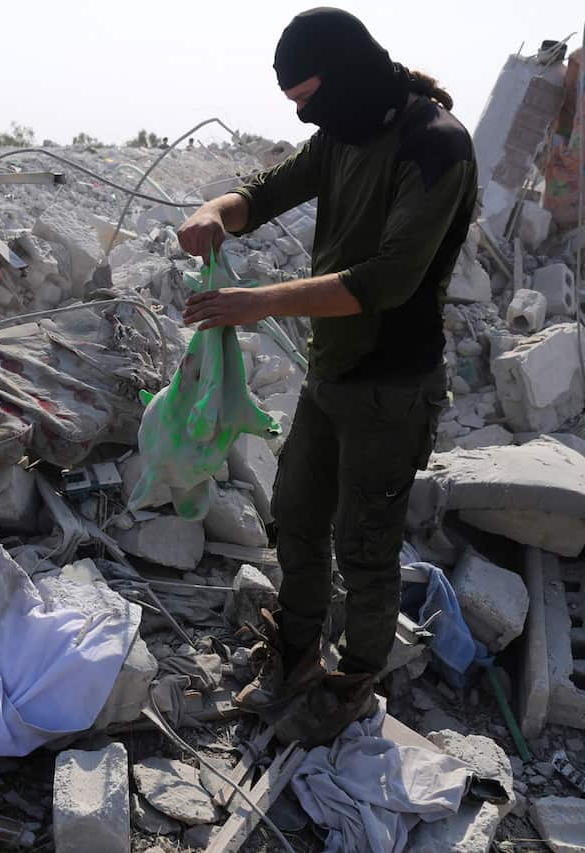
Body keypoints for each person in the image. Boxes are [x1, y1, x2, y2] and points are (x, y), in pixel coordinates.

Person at [177, 7, 477, 745]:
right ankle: (294, 654)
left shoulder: (434, 146)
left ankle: (350, 685)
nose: (308, 113)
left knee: (367, 545)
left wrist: (254, 304)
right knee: (298, 519)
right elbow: (265, 191)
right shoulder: (341, 133)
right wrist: (213, 210)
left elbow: (384, 281)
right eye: (296, 105)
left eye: (309, 96)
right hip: (330, 374)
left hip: (391, 385)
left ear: (345, 75)